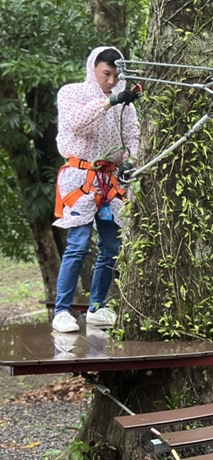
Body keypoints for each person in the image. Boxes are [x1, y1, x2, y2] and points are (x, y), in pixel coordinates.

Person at [52, 46, 140, 333]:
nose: (112, 81)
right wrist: (110, 101)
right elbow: (77, 123)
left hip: (110, 180)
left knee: (112, 246)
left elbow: (133, 137)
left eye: (116, 76)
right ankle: (62, 311)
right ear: (94, 68)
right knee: (77, 244)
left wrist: (131, 161)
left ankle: (97, 307)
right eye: (106, 74)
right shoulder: (71, 93)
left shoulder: (126, 104)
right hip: (80, 177)